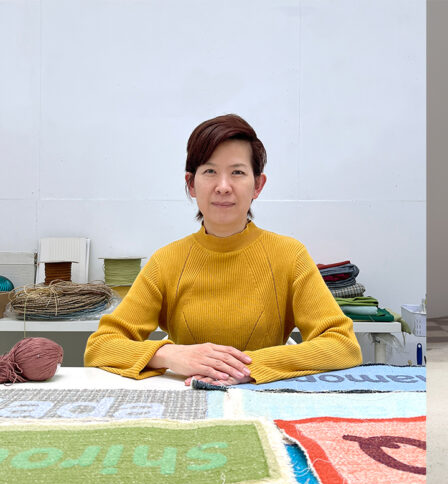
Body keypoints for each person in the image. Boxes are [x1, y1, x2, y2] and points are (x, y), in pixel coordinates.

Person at [84, 114, 362, 385]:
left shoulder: (289, 255)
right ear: (191, 184)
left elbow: (343, 346)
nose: (223, 187)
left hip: (266, 400)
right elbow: (101, 346)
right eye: (210, 172)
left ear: (258, 185)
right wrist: (168, 354)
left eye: (238, 172)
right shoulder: (166, 261)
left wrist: (252, 367)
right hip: (187, 401)